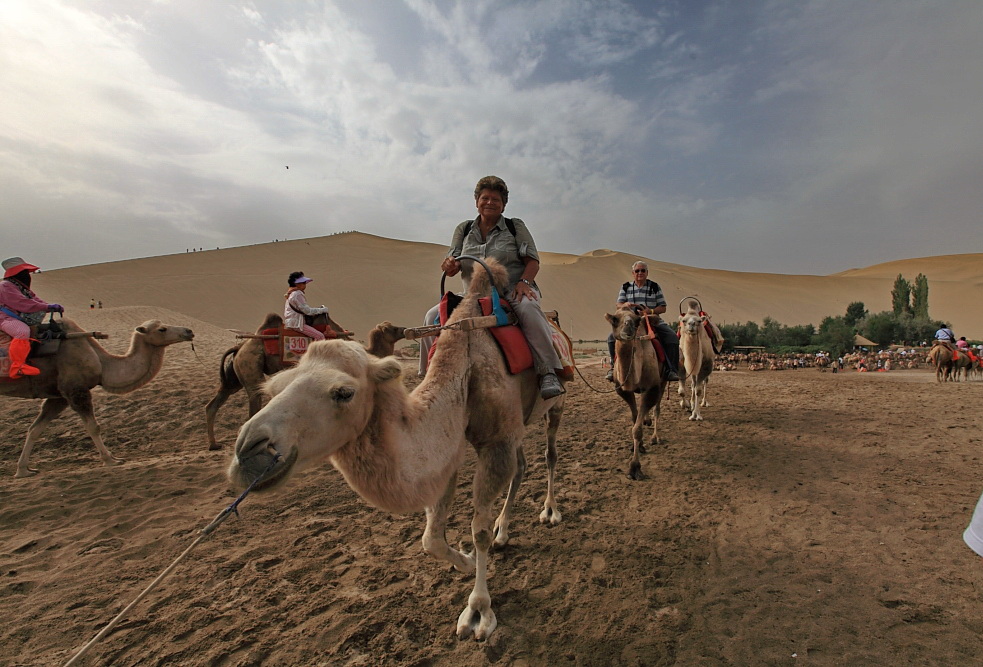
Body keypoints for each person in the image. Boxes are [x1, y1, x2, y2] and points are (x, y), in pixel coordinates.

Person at [421, 175, 565, 400]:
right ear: (476, 201)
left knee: (528, 309)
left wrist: (524, 282)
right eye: (485, 198)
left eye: (495, 199)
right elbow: (453, 262)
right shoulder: (464, 228)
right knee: (431, 317)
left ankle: (547, 371)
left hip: (511, 288)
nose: (490, 203)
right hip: (472, 293)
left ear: (503, 204)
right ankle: (429, 374)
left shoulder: (514, 226)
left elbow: (532, 261)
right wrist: (450, 264)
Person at [605, 261, 680, 382]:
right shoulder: (626, 287)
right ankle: (613, 367)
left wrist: (649, 310)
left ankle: (671, 370)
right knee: (611, 338)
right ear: (633, 273)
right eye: (637, 271)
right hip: (630, 321)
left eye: (643, 270)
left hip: (651, 320)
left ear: (647, 273)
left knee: (672, 338)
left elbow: (663, 307)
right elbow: (618, 304)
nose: (640, 273)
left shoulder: (654, 287)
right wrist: (625, 304)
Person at [0, 257, 63, 378]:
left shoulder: (20, 287)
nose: (27, 276)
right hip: (3, 318)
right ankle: (17, 367)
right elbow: (21, 303)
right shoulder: (6, 286)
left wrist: (49, 306)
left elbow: (34, 299)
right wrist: (47, 307)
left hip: (13, 316)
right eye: (24, 273)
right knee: (21, 331)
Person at [283, 271, 346, 341]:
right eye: (303, 283)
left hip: (291, 323)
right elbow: (307, 311)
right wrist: (323, 310)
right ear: (297, 284)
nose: (305, 285)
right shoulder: (298, 294)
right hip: (297, 324)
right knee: (320, 336)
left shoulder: (291, 294)